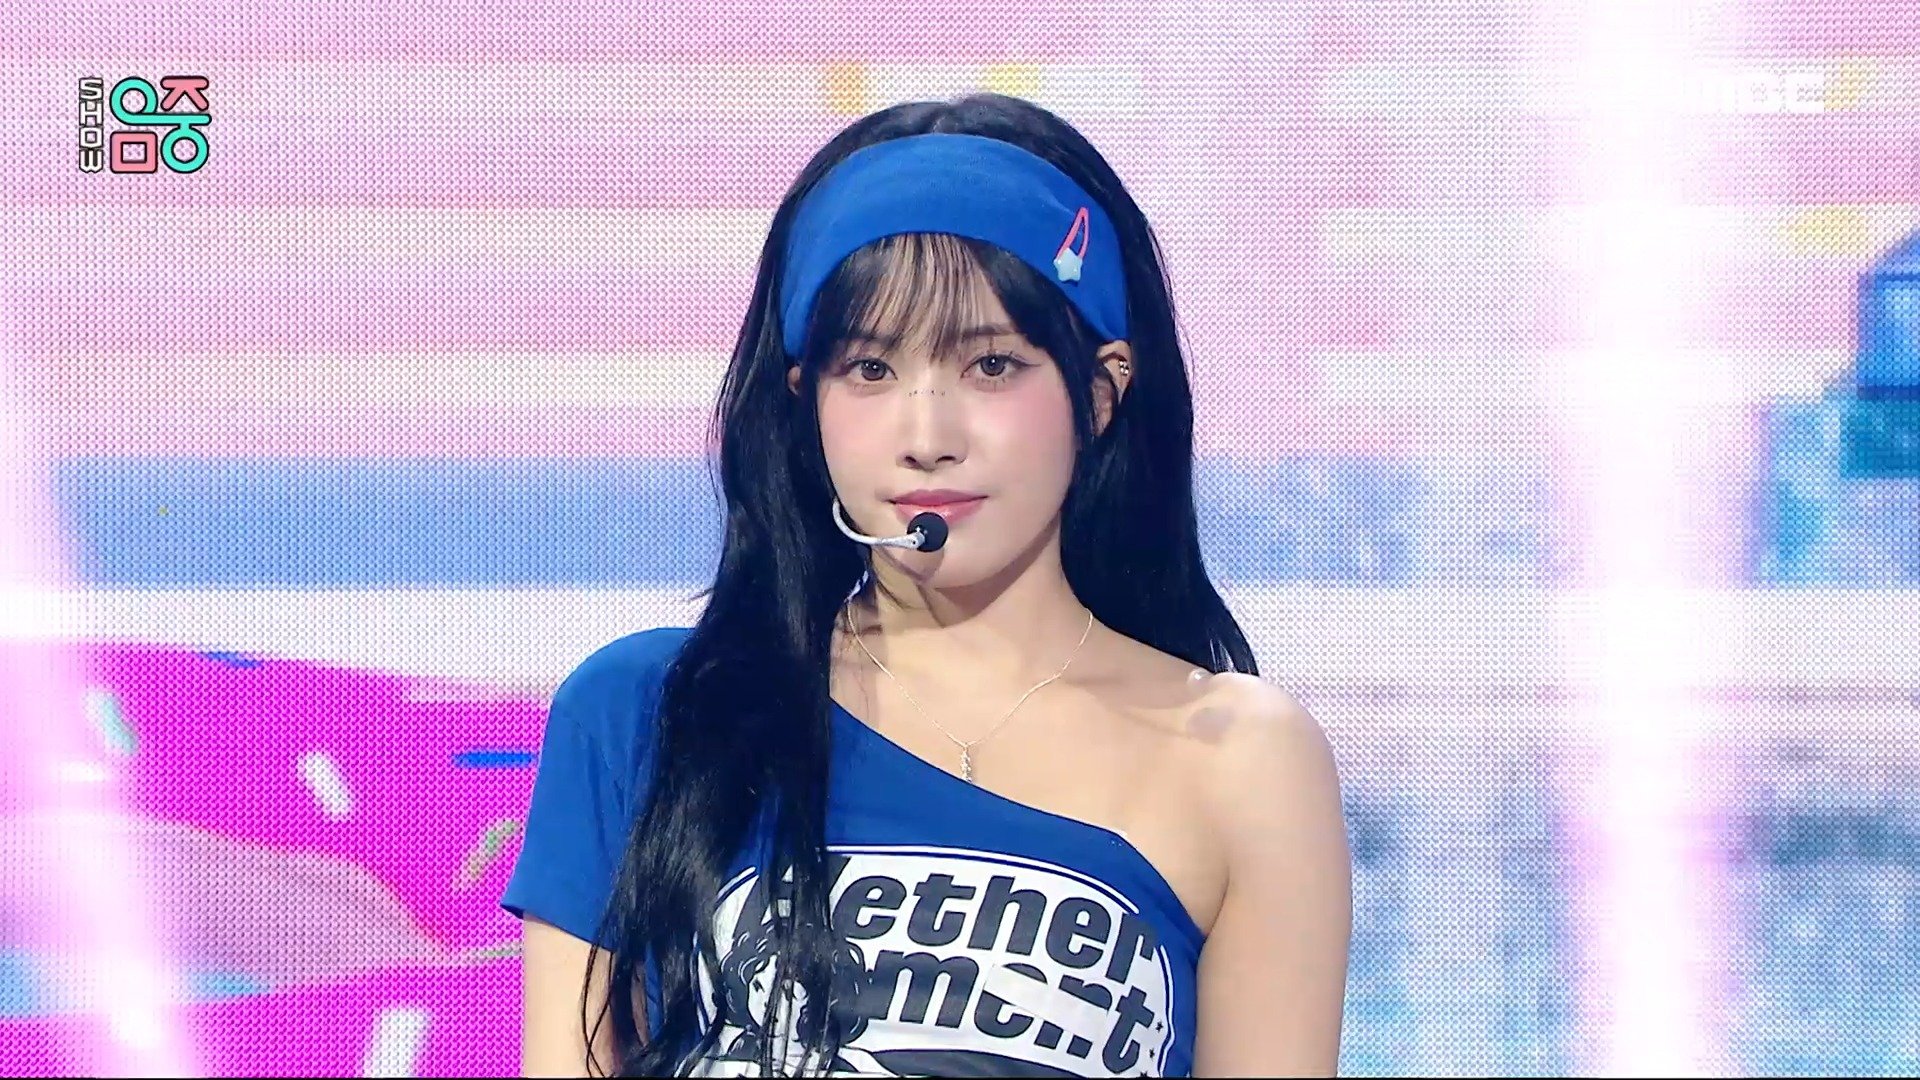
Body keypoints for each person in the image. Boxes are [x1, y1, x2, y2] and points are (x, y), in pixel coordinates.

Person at [501, 92, 1352, 1078]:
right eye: (869, 370)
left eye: (991, 365)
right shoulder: (652, 709)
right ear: (805, 403)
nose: (927, 434)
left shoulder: (1239, 758)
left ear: (1100, 391)